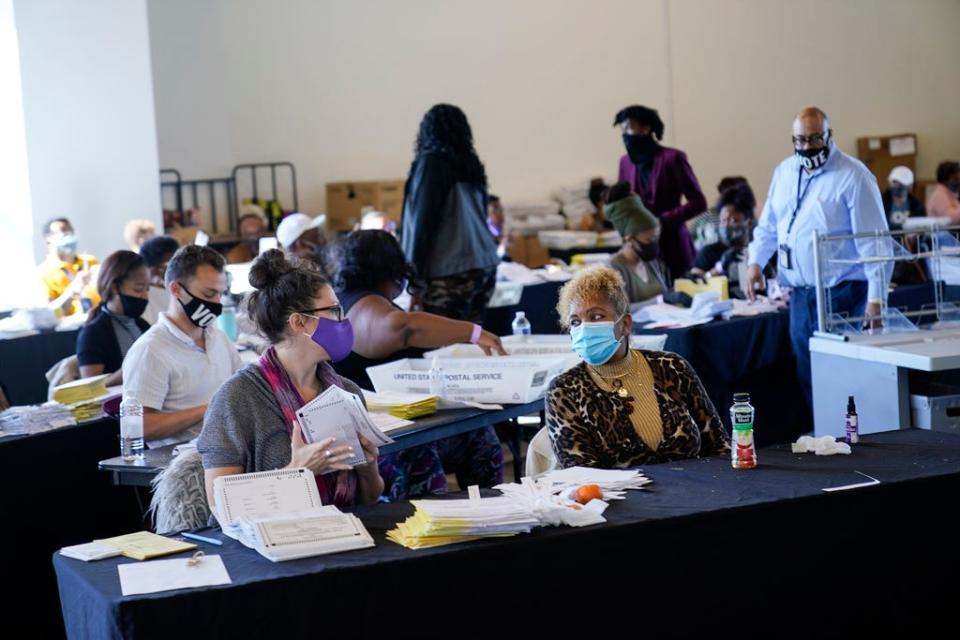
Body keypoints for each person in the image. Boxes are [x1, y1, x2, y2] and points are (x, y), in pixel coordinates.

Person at [198, 249, 384, 509]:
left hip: (345, 534)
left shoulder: (346, 392)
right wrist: (297, 471)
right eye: (333, 310)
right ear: (299, 322)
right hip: (266, 543)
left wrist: (368, 468)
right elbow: (220, 506)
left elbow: (369, 498)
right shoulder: (237, 398)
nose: (343, 320)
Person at [331, 230, 506, 499]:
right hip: (381, 444)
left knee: (479, 435)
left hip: (394, 432)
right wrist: (473, 332)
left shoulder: (350, 300)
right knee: (424, 454)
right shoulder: (364, 306)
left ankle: (490, 514)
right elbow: (403, 328)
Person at [745, 106, 889, 407]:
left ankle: (853, 440)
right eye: (800, 140)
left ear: (829, 135)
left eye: (814, 139)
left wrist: (877, 299)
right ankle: (824, 438)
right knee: (808, 373)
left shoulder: (854, 176)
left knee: (845, 375)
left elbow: (874, 243)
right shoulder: (785, 171)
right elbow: (770, 224)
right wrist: (755, 262)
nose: (807, 147)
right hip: (801, 295)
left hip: (844, 294)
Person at [545, 265, 730, 467]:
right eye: (575, 322)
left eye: (596, 316)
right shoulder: (564, 391)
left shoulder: (672, 367)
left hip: (698, 491)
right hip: (620, 498)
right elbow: (581, 478)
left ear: (625, 324)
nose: (584, 328)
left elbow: (720, 446)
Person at [122, 245, 242, 447]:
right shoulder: (150, 350)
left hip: (230, 450)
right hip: (182, 464)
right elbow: (136, 428)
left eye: (220, 294)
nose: (217, 303)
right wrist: (210, 408)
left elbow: (241, 390)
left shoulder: (218, 337)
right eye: (208, 294)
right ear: (176, 289)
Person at [399, 104, 499, 324]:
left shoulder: (430, 163)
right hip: (484, 265)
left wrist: (412, 278)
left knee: (443, 346)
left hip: (447, 271)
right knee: (472, 340)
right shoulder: (471, 164)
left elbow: (422, 226)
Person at [614, 105, 707, 278]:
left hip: (673, 244)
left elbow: (698, 202)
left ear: (646, 128)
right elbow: (622, 202)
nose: (625, 133)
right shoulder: (625, 162)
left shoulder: (673, 158)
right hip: (640, 246)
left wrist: (663, 221)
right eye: (622, 129)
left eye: (629, 127)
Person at [604, 182, 687, 306]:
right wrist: (661, 300)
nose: (654, 244)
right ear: (629, 239)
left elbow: (666, 293)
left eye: (655, 238)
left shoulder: (650, 262)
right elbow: (622, 312)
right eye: (649, 240)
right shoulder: (613, 268)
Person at [76, 251, 151, 386]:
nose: (145, 297)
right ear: (115, 287)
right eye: (138, 289)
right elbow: (90, 388)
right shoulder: (93, 333)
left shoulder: (143, 326)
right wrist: (130, 369)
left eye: (147, 289)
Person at [689, 182, 758, 296]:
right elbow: (693, 285)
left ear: (749, 223)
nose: (726, 226)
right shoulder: (708, 252)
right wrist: (719, 267)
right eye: (723, 221)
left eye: (734, 220)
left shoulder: (760, 250)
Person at [37, 217, 100, 317]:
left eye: (71, 232)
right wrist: (73, 290)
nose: (69, 236)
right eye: (63, 232)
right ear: (48, 239)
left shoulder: (89, 261)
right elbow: (50, 315)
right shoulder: (43, 272)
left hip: (99, 320)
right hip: (71, 329)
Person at [139, 235, 180, 325]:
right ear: (151, 269)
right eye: (167, 266)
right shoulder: (144, 300)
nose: (175, 271)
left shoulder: (179, 291)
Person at [882, 166, 924, 231]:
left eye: (902, 184)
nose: (898, 186)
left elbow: (921, 227)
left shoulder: (917, 205)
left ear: (910, 186)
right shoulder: (881, 202)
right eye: (895, 183)